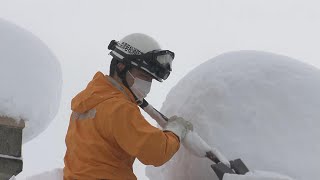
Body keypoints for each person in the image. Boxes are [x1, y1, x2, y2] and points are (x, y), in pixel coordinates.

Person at [63, 33, 193, 180]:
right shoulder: (119, 108)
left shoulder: (89, 101)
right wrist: (175, 131)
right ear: (121, 66)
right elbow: (156, 152)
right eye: (144, 75)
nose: (147, 83)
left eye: (151, 79)